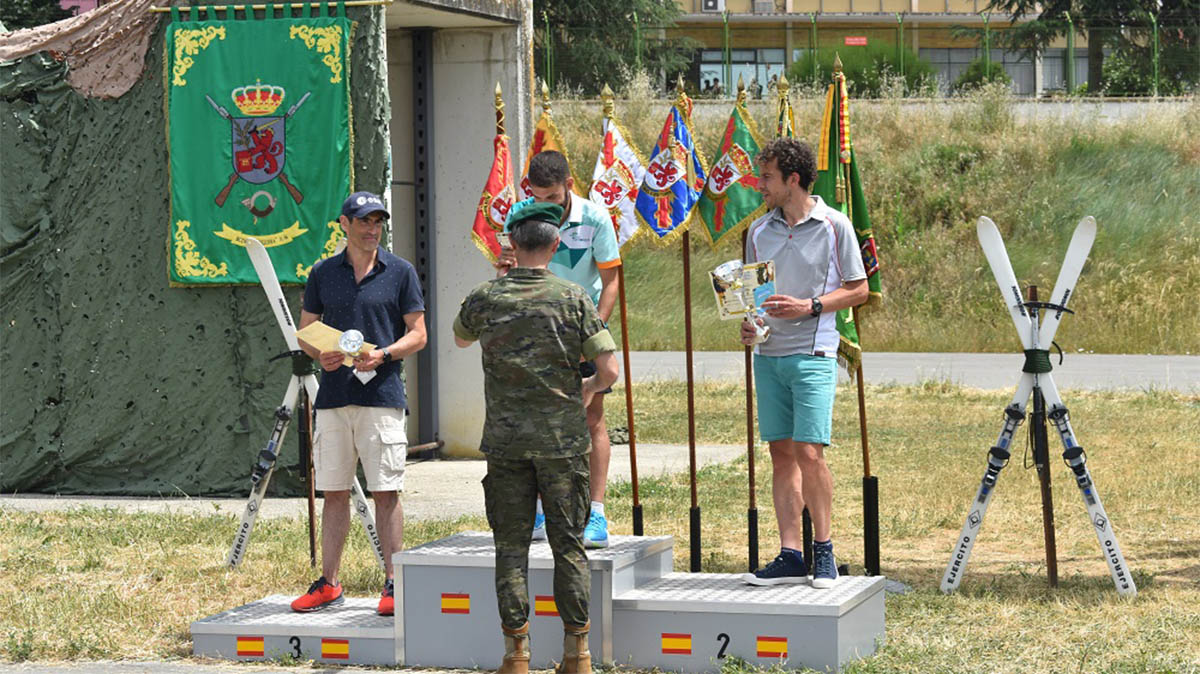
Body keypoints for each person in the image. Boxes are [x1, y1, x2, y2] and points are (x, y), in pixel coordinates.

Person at [455, 202, 619, 674]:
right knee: (568, 547)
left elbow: (461, 337)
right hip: (562, 442)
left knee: (510, 548)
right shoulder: (573, 298)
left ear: (513, 246)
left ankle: (517, 655)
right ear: (554, 245)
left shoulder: (486, 296)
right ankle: (578, 654)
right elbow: (608, 369)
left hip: (505, 444)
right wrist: (587, 388)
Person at [291, 191, 427, 616]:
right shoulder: (322, 273)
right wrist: (321, 354)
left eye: (378, 222)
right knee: (333, 492)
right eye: (364, 222)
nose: (372, 229)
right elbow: (307, 330)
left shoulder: (400, 272)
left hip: (382, 397)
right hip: (333, 398)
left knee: (386, 491)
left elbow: (418, 333)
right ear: (344, 225)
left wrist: (384, 354)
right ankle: (329, 583)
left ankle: (394, 583)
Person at [739, 139, 867, 589]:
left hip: (814, 352)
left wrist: (810, 306)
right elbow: (753, 295)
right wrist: (751, 326)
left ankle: (825, 552)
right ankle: (791, 554)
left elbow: (859, 289)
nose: (761, 186)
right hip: (769, 355)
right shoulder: (758, 231)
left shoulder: (835, 225)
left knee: (810, 453)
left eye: (768, 177)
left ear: (793, 179)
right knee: (780, 454)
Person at [495, 150, 621, 549]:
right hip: (533, 331)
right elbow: (509, 269)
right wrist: (504, 266)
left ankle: (595, 512)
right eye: (536, 197)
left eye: (551, 198)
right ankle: (538, 511)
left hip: (580, 329)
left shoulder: (596, 218)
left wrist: (593, 334)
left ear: (569, 185)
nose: (543, 206)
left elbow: (611, 281)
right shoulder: (519, 214)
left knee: (592, 418)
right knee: (531, 421)